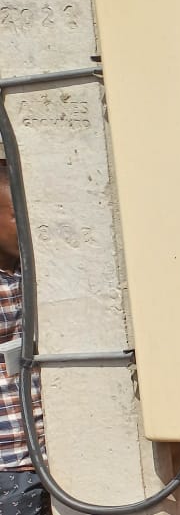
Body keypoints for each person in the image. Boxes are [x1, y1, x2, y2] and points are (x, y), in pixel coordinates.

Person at [0, 168, 47, 514]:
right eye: (15, 215)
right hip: (7, 462)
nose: (26, 226)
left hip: (43, 454)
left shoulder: (26, 272)